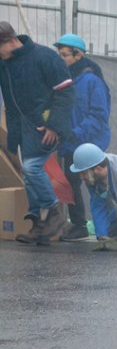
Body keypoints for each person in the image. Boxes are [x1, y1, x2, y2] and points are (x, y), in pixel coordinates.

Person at [0, 20, 74, 244]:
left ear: (11, 41)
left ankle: (54, 214)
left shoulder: (45, 57)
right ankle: (40, 226)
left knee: (32, 168)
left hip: (44, 128)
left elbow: (66, 94)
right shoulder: (5, 62)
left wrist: (54, 125)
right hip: (21, 128)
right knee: (29, 177)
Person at [53, 33, 112, 242]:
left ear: (78, 55)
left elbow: (98, 116)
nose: (60, 59)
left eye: (64, 55)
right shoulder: (68, 81)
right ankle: (79, 225)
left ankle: (108, 226)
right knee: (71, 182)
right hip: (72, 142)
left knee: (95, 185)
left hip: (89, 143)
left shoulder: (91, 81)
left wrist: (74, 133)